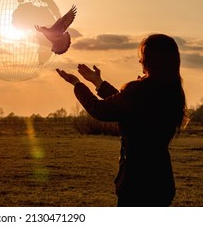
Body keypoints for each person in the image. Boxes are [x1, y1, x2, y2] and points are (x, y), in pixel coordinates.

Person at [56, 34, 186, 207]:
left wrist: (77, 84)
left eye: (142, 58)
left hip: (137, 184)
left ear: (150, 60)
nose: (140, 62)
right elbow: (130, 107)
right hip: (161, 182)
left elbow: (100, 109)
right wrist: (98, 82)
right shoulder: (172, 92)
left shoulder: (139, 91)